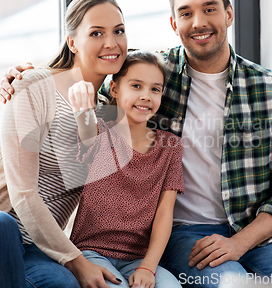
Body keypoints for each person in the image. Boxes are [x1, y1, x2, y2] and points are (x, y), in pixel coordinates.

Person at [0, 0, 272, 287]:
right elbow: (94, 89)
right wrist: (29, 76)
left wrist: (239, 243)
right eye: (186, 13)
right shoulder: (158, 74)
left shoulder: (270, 88)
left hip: (258, 233)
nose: (198, 22)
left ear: (229, 14)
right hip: (184, 232)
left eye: (209, 9)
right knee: (230, 283)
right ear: (173, 23)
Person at [0, 0, 129, 288]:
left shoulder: (107, 117)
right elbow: (23, 194)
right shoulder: (34, 84)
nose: (111, 42)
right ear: (72, 41)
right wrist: (78, 263)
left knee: (64, 285)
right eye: (96, 33)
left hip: (32, 249)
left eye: (119, 31)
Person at [67, 51, 184, 288]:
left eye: (155, 89)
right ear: (114, 89)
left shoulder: (171, 146)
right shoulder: (99, 132)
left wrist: (148, 268)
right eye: (136, 86)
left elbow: (164, 214)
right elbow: (85, 128)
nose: (145, 96)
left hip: (138, 258)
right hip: (91, 251)